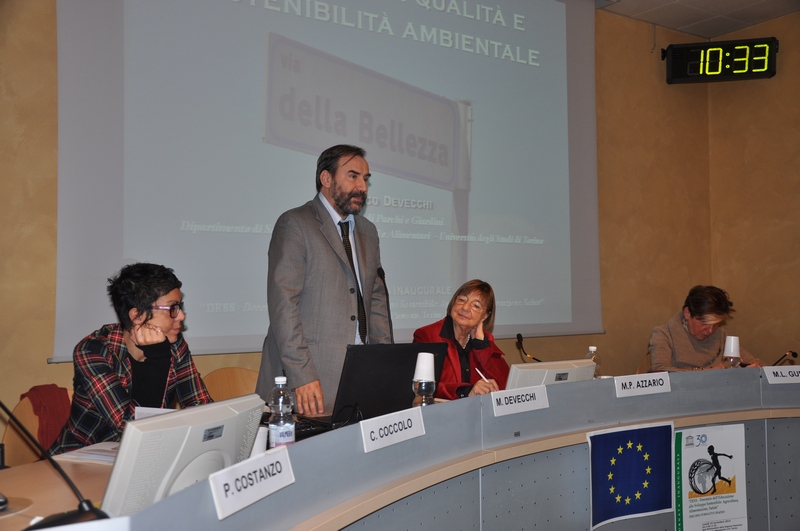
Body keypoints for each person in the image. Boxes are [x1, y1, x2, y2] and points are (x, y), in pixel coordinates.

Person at [256, 145, 392, 415]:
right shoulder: (295, 223)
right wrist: (302, 375)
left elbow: (375, 301)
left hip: (359, 375)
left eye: (365, 179)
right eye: (353, 176)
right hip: (308, 378)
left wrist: (384, 367)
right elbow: (284, 305)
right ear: (326, 179)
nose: (362, 186)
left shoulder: (368, 231)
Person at [49, 263, 212, 455]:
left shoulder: (175, 344)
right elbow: (130, 428)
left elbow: (201, 406)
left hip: (145, 456)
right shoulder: (93, 351)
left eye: (180, 306)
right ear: (137, 315)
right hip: (79, 459)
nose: (182, 316)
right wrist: (158, 357)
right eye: (172, 308)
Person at [413, 279, 509, 399]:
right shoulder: (428, 335)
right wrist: (466, 391)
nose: (465, 308)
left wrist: (481, 347)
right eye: (462, 300)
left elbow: (504, 384)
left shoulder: (484, 340)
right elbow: (423, 386)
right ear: (454, 302)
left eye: (476, 306)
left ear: (484, 316)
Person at [649, 285, 763, 372]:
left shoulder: (722, 336)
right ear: (687, 313)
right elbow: (661, 373)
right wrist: (710, 373)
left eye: (716, 324)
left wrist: (754, 368)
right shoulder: (664, 334)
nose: (710, 331)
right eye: (704, 323)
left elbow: (757, 363)